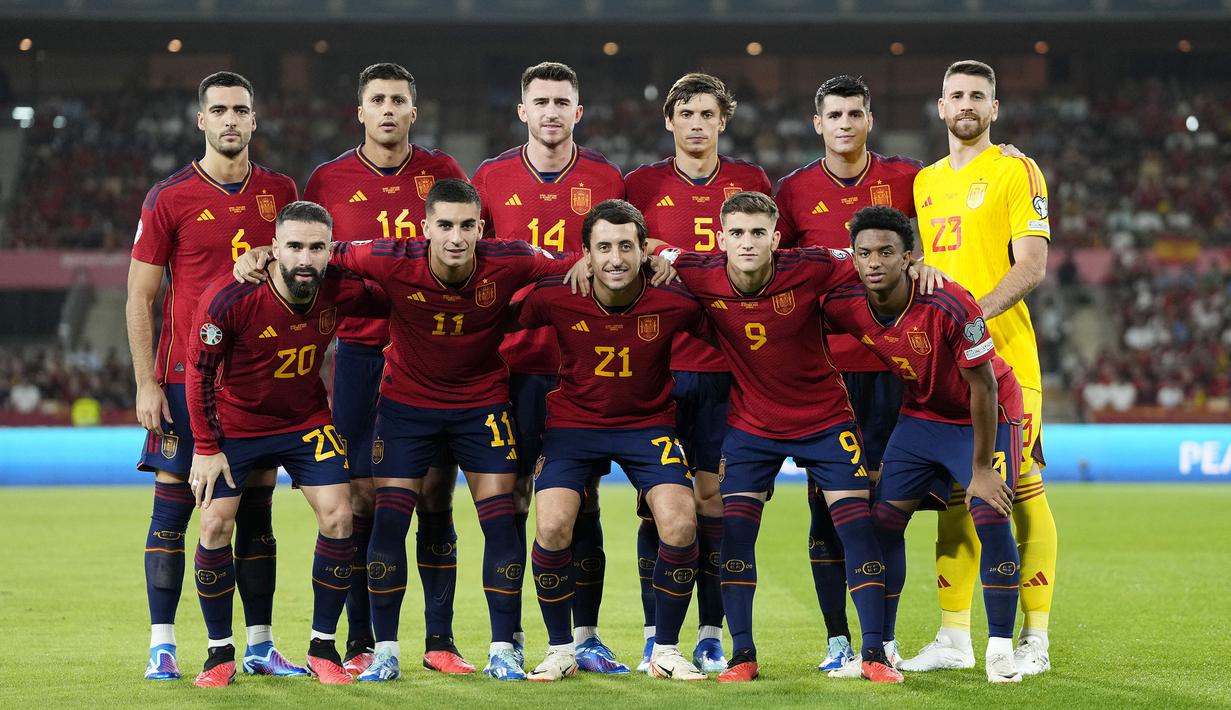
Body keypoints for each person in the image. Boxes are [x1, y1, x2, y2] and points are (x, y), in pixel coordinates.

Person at [657, 192, 946, 683]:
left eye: (757, 234)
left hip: (825, 421)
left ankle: (873, 653)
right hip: (753, 427)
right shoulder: (698, 269)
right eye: (738, 234)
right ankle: (742, 655)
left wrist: (921, 268)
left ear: (775, 238)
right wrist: (642, 257)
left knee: (857, 530)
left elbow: (870, 262)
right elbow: (651, 251)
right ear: (721, 238)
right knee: (736, 534)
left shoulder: (813, 264)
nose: (747, 243)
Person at [126, 70, 300, 681]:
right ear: (201, 120)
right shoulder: (168, 196)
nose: (230, 119)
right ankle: (162, 643)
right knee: (173, 509)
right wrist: (147, 383)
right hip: (181, 378)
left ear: (255, 120)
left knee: (255, 512)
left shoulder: (282, 192)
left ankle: (258, 644)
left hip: (254, 383)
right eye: (219, 110)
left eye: (241, 110)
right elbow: (140, 296)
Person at [302, 61, 471, 676]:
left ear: (413, 111)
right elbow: (305, 258)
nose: (389, 110)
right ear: (361, 110)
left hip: (429, 354)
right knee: (359, 495)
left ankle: (440, 639)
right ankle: (360, 640)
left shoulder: (444, 174)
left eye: (400, 99)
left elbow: (472, 256)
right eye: (378, 99)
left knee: (432, 491)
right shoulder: (328, 180)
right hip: (359, 354)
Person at [186, 201, 387, 687]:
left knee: (341, 516)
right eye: (294, 246)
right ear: (273, 249)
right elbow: (199, 373)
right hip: (237, 423)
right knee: (215, 524)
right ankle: (219, 654)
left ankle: (323, 647)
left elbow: (399, 290)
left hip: (305, 420)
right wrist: (206, 446)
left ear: (329, 251)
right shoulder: (230, 298)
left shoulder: (340, 287)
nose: (304, 257)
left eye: (316, 247)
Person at [823, 205, 1025, 683]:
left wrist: (980, 468)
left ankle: (999, 649)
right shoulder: (846, 301)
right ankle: (880, 648)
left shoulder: (950, 302)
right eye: (865, 253)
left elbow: (984, 387)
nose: (874, 262)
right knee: (883, 523)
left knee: (990, 513)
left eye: (887, 252)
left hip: (984, 413)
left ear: (909, 256)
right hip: (922, 414)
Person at [472, 60, 628, 674]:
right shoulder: (489, 177)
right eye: (541, 101)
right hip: (507, 366)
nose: (552, 111)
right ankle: (505, 643)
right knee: (506, 500)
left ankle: (585, 637)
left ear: (578, 111)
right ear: (522, 111)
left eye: (563, 100)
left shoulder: (604, 176)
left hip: (579, 368)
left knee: (581, 499)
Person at [904, 59, 1057, 676]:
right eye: (956, 95)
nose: (966, 104)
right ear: (940, 107)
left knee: (1016, 493)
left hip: (1007, 363)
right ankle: (952, 637)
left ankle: (1036, 639)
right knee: (954, 497)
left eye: (978, 96)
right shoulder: (924, 182)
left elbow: (1032, 267)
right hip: (946, 370)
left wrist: (972, 314)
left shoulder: (1016, 171)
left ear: (994, 108)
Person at [515, 199, 708, 682]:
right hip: (573, 427)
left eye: (626, 246)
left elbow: (730, 325)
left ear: (646, 251)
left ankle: (664, 650)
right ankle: (561, 650)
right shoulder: (557, 295)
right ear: (585, 255)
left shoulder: (675, 300)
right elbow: (494, 317)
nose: (616, 258)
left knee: (681, 524)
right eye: (603, 248)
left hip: (649, 427)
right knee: (554, 524)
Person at [623, 72, 770, 672]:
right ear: (670, 120)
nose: (696, 123)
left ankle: (710, 629)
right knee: (655, 507)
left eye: (707, 114)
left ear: (722, 120)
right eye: (685, 113)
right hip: (659, 368)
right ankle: (657, 633)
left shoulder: (752, 184)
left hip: (725, 373)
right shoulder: (642, 185)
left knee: (713, 503)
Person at [772, 73, 920, 672]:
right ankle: (838, 640)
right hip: (826, 374)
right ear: (818, 123)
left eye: (855, 113)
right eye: (834, 115)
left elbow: (949, 211)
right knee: (826, 508)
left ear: (869, 118)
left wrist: (1007, 152)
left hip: (894, 367)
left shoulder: (910, 179)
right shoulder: (793, 190)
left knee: (889, 507)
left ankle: (880, 639)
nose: (845, 124)